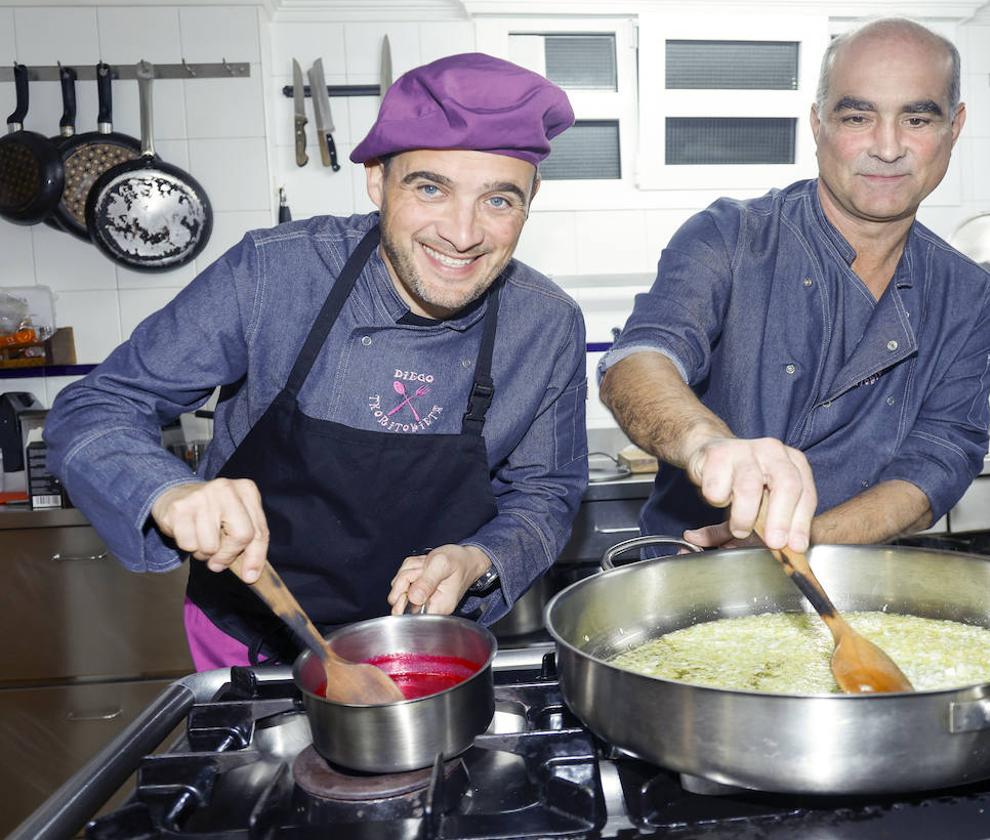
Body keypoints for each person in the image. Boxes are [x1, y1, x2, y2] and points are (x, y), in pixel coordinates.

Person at [45, 53, 589, 669]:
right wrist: (167, 490)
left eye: (498, 201)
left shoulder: (547, 325)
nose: (462, 234)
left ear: (531, 199)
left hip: (427, 651)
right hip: (245, 638)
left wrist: (482, 559)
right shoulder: (274, 272)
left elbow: (546, 491)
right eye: (431, 188)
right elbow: (97, 406)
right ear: (378, 180)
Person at [598, 18, 990, 556]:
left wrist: (797, 542)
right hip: (687, 574)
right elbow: (641, 357)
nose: (887, 147)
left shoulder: (971, 297)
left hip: (849, 585)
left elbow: (941, 455)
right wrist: (707, 444)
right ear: (818, 125)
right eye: (858, 116)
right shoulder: (730, 236)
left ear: (954, 127)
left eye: (916, 118)